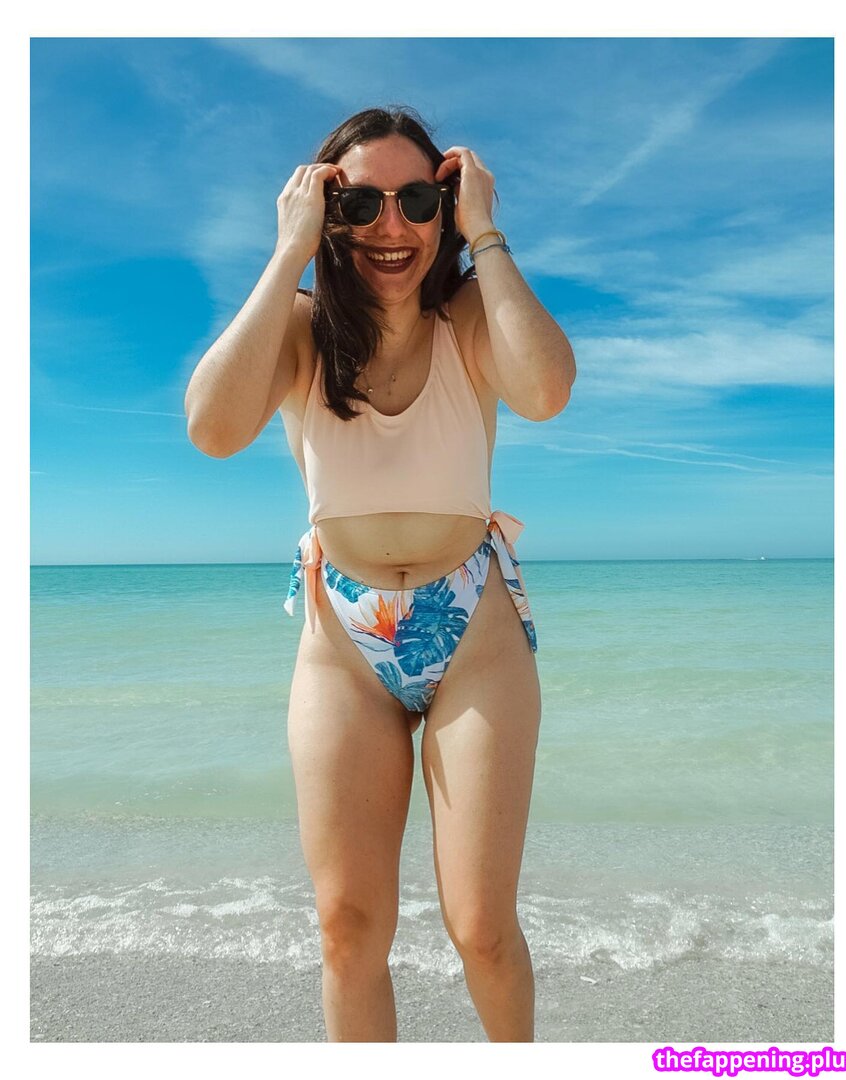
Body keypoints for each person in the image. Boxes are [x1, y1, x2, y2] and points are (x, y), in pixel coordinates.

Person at [184, 105, 576, 1042]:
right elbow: (212, 429)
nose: (390, 224)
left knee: (481, 930)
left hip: (470, 625)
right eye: (359, 203)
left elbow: (545, 391)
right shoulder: (300, 329)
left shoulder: (467, 314)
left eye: (416, 201)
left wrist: (485, 230)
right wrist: (287, 253)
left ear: (444, 209)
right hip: (344, 638)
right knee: (347, 928)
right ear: (326, 214)